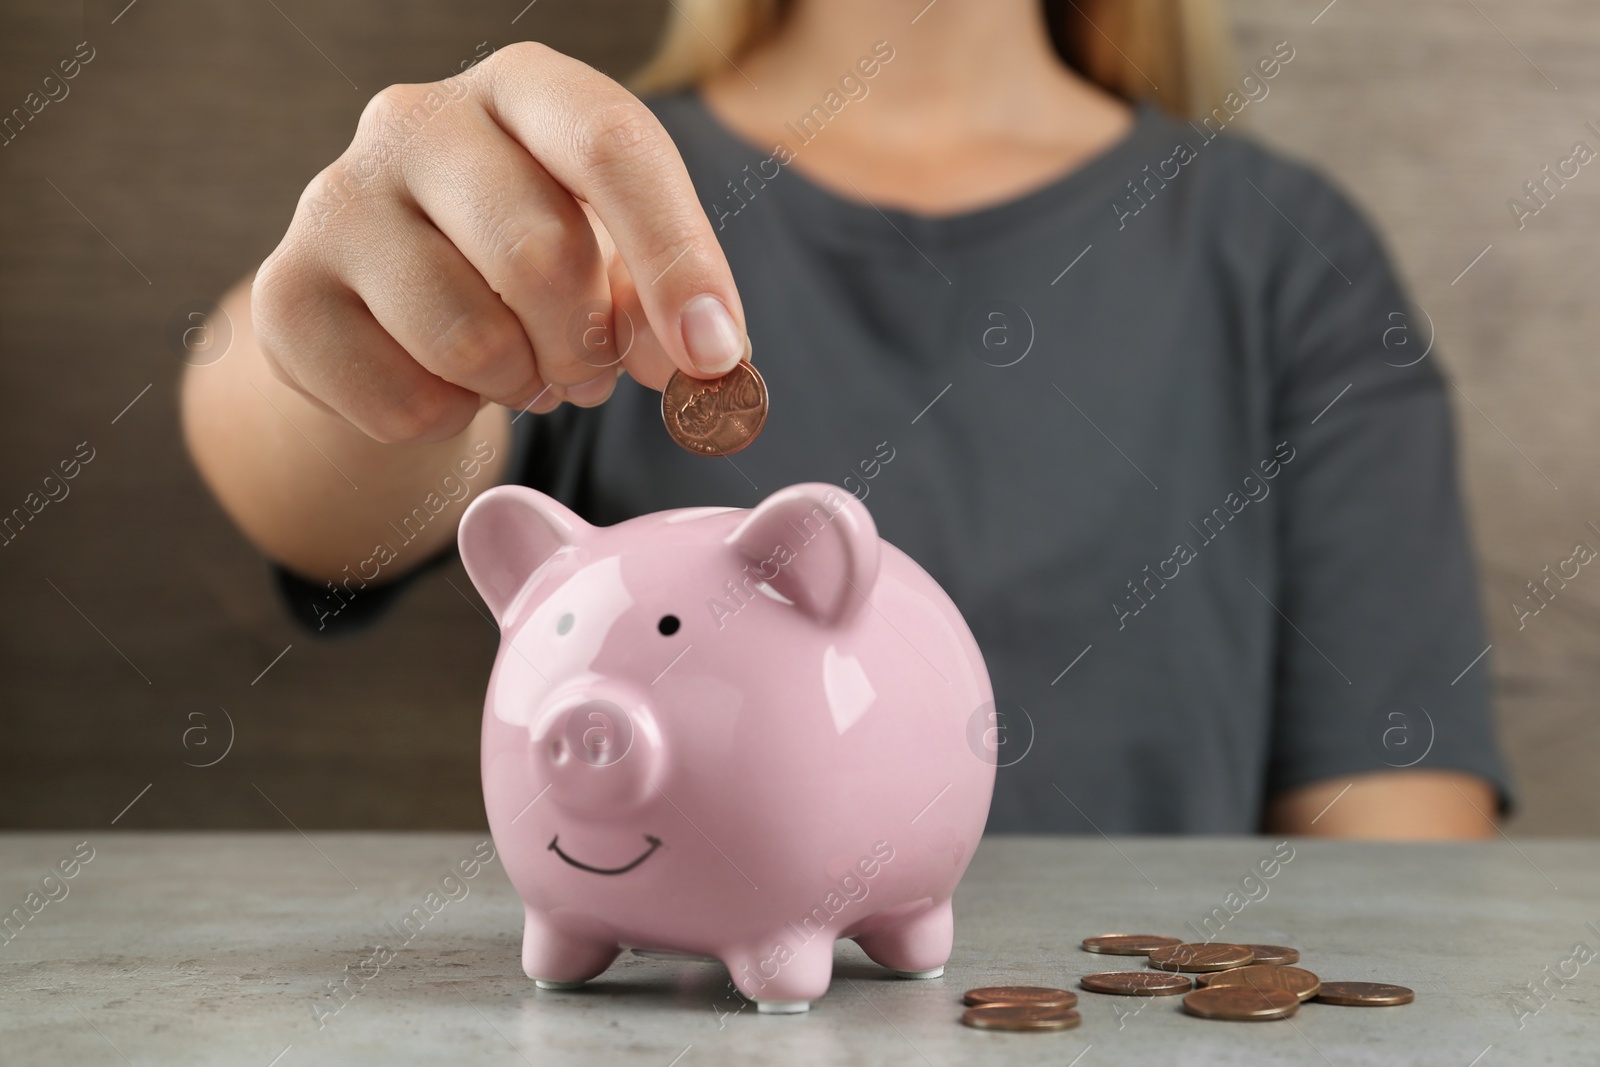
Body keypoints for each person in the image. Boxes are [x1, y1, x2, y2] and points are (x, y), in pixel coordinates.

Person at [181, 0, 1510, 837]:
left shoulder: (1284, 256)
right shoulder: (577, 216)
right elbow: (315, 485)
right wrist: (350, 328)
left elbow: (1399, 832)